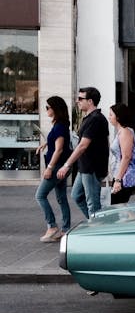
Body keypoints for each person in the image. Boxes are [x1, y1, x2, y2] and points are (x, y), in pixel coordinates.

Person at [57, 87, 109, 219]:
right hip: (85, 166)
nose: (77, 101)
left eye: (80, 99)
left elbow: (82, 146)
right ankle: (94, 223)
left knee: (93, 203)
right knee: (77, 195)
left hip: (91, 167)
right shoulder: (89, 118)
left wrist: (67, 165)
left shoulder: (95, 119)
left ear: (90, 101)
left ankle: (98, 230)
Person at [35, 96, 72, 242]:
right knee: (61, 198)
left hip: (56, 166)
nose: (46, 110)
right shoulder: (59, 125)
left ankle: (52, 226)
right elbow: (56, 143)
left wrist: (49, 168)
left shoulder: (60, 126)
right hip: (60, 165)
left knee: (40, 195)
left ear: (55, 109)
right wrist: (45, 145)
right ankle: (66, 229)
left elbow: (59, 149)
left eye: (48, 107)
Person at [108, 103, 135, 205]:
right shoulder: (123, 131)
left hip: (123, 176)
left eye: (111, 115)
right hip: (121, 175)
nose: (109, 117)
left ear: (118, 117)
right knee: (120, 207)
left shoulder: (125, 132)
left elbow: (126, 157)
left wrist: (118, 180)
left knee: (117, 207)